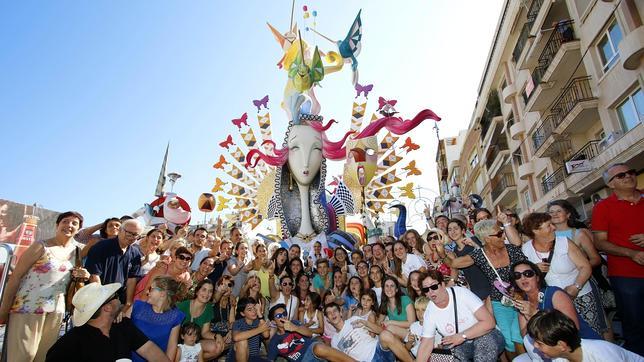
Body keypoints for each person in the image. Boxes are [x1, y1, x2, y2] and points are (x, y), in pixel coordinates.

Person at [0, 211, 89, 362]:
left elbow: (73, 279)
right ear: (57, 225)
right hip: (28, 307)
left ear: (78, 228)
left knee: (43, 357)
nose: (69, 225)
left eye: (74, 223)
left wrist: (84, 275)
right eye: (65, 221)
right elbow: (15, 278)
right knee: (22, 356)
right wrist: (3, 310)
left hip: (56, 311)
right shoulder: (41, 246)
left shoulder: (77, 252)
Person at [439, 219, 526, 358]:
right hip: (499, 302)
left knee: (519, 336)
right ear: (487, 239)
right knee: (508, 341)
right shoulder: (480, 255)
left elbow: (528, 271)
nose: (503, 236)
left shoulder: (512, 250)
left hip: (522, 300)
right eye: (499, 234)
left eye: (502, 232)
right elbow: (454, 263)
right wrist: (442, 254)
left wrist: (522, 291)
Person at [521, 213, 603, 337]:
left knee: (591, 335)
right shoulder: (526, 249)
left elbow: (585, 267)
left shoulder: (564, 242)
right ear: (536, 231)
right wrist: (534, 269)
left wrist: (576, 286)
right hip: (554, 302)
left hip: (580, 296)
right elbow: (525, 277)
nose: (554, 228)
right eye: (549, 225)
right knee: (565, 337)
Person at [591, 163, 644, 355]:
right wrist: (632, 254)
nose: (628, 176)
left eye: (631, 172)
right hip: (627, 276)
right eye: (621, 176)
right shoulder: (603, 207)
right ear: (611, 184)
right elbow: (600, 243)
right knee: (635, 325)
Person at [46, 282, 170, 362]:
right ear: (107, 308)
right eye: (116, 296)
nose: (119, 298)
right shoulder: (73, 341)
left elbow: (152, 353)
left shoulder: (122, 325)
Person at [510, 261, 601, 362]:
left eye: (528, 274)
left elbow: (572, 328)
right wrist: (529, 317)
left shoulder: (554, 294)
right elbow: (526, 336)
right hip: (551, 350)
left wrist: (534, 313)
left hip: (579, 348)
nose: (523, 278)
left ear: (537, 277)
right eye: (517, 275)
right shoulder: (524, 301)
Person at [416, 270, 504, 362]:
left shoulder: (461, 293)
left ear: (442, 285)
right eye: (426, 289)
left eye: (434, 286)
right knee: (440, 358)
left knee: (484, 343)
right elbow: (426, 344)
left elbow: (489, 322)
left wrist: (462, 336)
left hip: (487, 335)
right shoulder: (430, 311)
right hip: (459, 345)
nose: (431, 292)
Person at [527, 310, 643, 362]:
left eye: (540, 343)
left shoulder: (601, 354)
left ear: (561, 345)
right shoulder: (559, 358)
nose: (535, 346)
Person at [325, 302, 413, 362]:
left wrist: (365, 323)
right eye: (329, 313)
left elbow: (381, 331)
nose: (333, 314)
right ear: (328, 320)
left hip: (379, 350)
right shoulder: (334, 341)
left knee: (385, 335)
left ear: (340, 312)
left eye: (335, 311)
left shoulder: (354, 319)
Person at [85, 218, 144, 306]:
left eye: (135, 234)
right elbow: (94, 275)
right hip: (97, 300)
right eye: (128, 232)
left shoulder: (135, 254)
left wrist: (128, 303)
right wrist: (103, 302)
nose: (131, 236)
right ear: (120, 230)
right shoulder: (101, 247)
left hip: (119, 301)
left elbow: (132, 279)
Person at [267, 303, 355, 362]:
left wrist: (294, 328)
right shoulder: (274, 341)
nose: (283, 317)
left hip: (311, 349)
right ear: (273, 322)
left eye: (284, 313)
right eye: (278, 316)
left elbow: (309, 333)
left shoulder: (294, 323)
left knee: (319, 347)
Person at [126, 275, 185, 362]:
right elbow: (120, 333)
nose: (147, 291)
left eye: (151, 289)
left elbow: (170, 351)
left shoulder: (175, 317)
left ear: (162, 294)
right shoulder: (137, 307)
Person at [447, 219, 490, 300]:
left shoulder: (474, 240)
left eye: (456, 228)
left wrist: (475, 245)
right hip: (475, 290)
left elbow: (487, 254)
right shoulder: (454, 252)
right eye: (450, 230)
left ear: (463, 230)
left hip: (488, 283)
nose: (453, 232)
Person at [227, 297, 270, 362]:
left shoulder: (258, 322)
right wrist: (259, 329)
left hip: (254, 357)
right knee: (242, 341)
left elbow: (266, 335)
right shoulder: (238, 323)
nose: (254, 311)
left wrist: (260, 315)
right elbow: (236, 337)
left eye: (254, 308)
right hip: (236, 357)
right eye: (249, 310)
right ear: (242, 313)